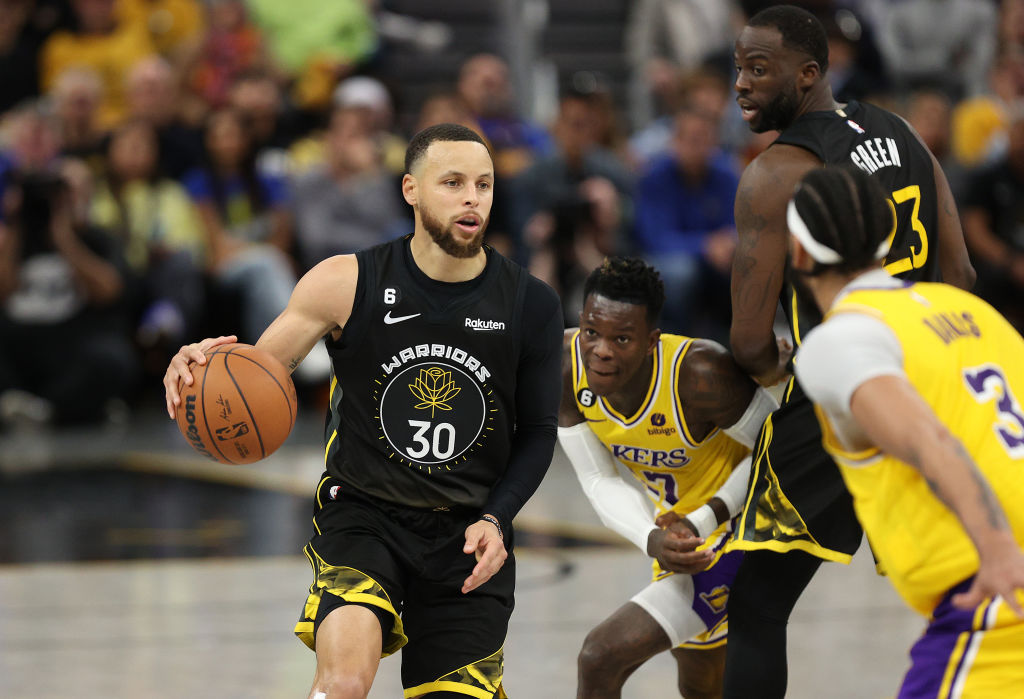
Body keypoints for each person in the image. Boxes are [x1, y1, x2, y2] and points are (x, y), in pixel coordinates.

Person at [162, 123, 563, 699]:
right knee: (345, 683)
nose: (472, 197)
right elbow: (252, 373)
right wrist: (194, 368)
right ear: (411, 190)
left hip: (468, 534)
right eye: (452, 182)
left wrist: (498, 518)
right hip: (364, 518)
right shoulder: (345, 282)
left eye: (484, 184)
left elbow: (539, 433)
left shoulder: (530, 303)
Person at [725, 6, 975, 697]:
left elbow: (748, 341)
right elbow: (962, 277)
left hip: (839, 400)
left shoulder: (774, 173)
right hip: (932, 383)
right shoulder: (904, 133)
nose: (740, 84)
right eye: (738, 67)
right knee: (966, 591)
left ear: (808, 74)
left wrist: (781, 376)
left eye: (758, 69)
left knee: (756, 604)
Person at [788, 164, 1024, 696]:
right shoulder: (970, 308)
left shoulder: (842, 339)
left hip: (1000, 589)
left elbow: (928, 439)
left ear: (799, 253)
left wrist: (998, 549)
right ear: (887, 241)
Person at [558, 257, 778, 699]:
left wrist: (706, 518)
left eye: (622, 338)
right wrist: (651, 538)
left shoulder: (700, 374)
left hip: (745, 527)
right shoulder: (564, 370)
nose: (601, 349)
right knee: (700, 684)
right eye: (591, 333)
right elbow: (599, 480)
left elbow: (780, 455)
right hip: (678, 533)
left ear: (651, 342)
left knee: (600, 656)